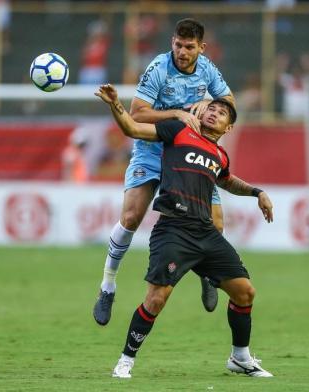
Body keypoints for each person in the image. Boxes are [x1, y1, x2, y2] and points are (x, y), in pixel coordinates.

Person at [95, 83, 274, 379]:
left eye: (221, 113)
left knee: (245, 293)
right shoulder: (178, 131)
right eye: (211, 109)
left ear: (229, 128)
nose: (214, 113)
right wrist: (115, 104)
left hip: (205, 233)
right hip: (174, 230)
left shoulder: (220, 155)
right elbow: (132, 128)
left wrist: (257, 192)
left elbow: (227, 181)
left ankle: (240, 358)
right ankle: (126, 360)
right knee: (156, 299)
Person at [93, 18, 236, 326]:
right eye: (178, 45)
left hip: (187, 152)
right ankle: (107, 285)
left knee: (216, 224)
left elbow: (229, 101)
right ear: (172, 41)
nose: (182, 52)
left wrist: (206, 102)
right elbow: (137, 114)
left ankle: (209, 277)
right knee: (131, 217)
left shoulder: (207, 69)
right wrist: (177, 113)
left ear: (201, 48)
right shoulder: (159, 69)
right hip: (153, 147)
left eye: (189, 47)